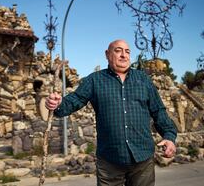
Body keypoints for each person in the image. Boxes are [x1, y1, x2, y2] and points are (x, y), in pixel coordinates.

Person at [45, 39, 177, 186]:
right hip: (109, 162)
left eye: (127, 52)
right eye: (118, 50)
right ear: (107, 54)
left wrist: (169, 136)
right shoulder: (95, 80)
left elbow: (158, 110)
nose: (124, 55)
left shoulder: (143, 80)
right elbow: (74, 100)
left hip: (142, 159)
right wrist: (57, 104)